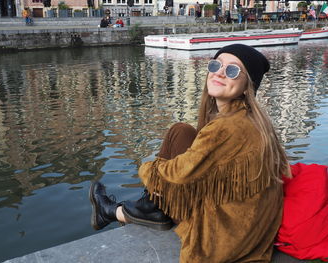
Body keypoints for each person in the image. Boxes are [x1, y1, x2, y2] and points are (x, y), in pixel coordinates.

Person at [89, 44, 291, 262]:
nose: (220, 72)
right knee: (182, 131)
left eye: (232, 70)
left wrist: (146, 168)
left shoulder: (227, 127)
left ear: (247, 86)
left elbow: (177, 174)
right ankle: (149, 207)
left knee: (162, 169)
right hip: (249, 231)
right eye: (216, 65)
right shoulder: (251, 119)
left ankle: (119, 211)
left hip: (222, 240)